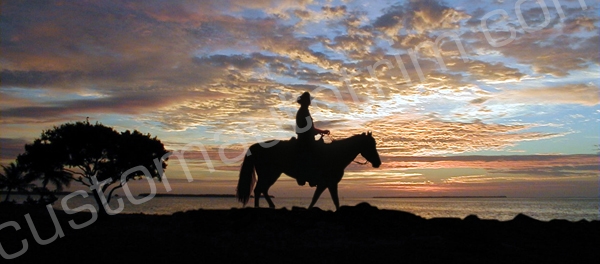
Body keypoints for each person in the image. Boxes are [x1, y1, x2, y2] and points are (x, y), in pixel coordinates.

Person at [294, 91, 329, 186]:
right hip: (305, 139)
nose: (309, 101)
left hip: (306, 137)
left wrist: (320, 131)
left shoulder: (304, 111)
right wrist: (321, 131)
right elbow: (309, 129)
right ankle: (312, 177)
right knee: (318, 153)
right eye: (308, 100)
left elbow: (310, 128)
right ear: (305, 101)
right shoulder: (303, 112)